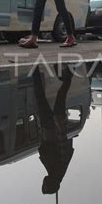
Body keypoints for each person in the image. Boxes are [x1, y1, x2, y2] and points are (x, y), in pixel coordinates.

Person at [32, 65, 75, 194]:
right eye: (44, 185)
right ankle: (35, 70)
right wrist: (59, 126)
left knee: (58, 96)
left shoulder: (53, 171)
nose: (43, 182)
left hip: (49, 126)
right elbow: (63, 147)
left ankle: (67, 75)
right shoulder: (58, 170)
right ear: (51, 184)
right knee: (42, 97)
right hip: (52, 127)